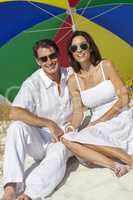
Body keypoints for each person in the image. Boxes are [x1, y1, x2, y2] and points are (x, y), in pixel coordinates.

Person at [2, 39, 73, 200]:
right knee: (16, 127)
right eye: (43, 58)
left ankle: (29, 195)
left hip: (65, 136)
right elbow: (14, 112)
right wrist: (49, 123)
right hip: (40, 140)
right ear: (37, 61)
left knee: (60, 150)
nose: (49, 61)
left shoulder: (70, 74)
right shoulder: (32, 83)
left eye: (52, 56)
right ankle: (10, 188)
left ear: (58, 54)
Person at [62, 30, 133, 177]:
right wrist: (71, 127)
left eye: (83, 45)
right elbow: (78, 112)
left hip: (118, 115)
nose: (79, 50)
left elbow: (124, 97)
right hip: (97, 123)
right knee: (67, 139)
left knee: (88, 138)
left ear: (91, 47)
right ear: (71, 53)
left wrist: (101, 120)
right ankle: (116, 164)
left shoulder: (105, 65)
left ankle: (128, 160)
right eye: (74, 48)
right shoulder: (73, 81)